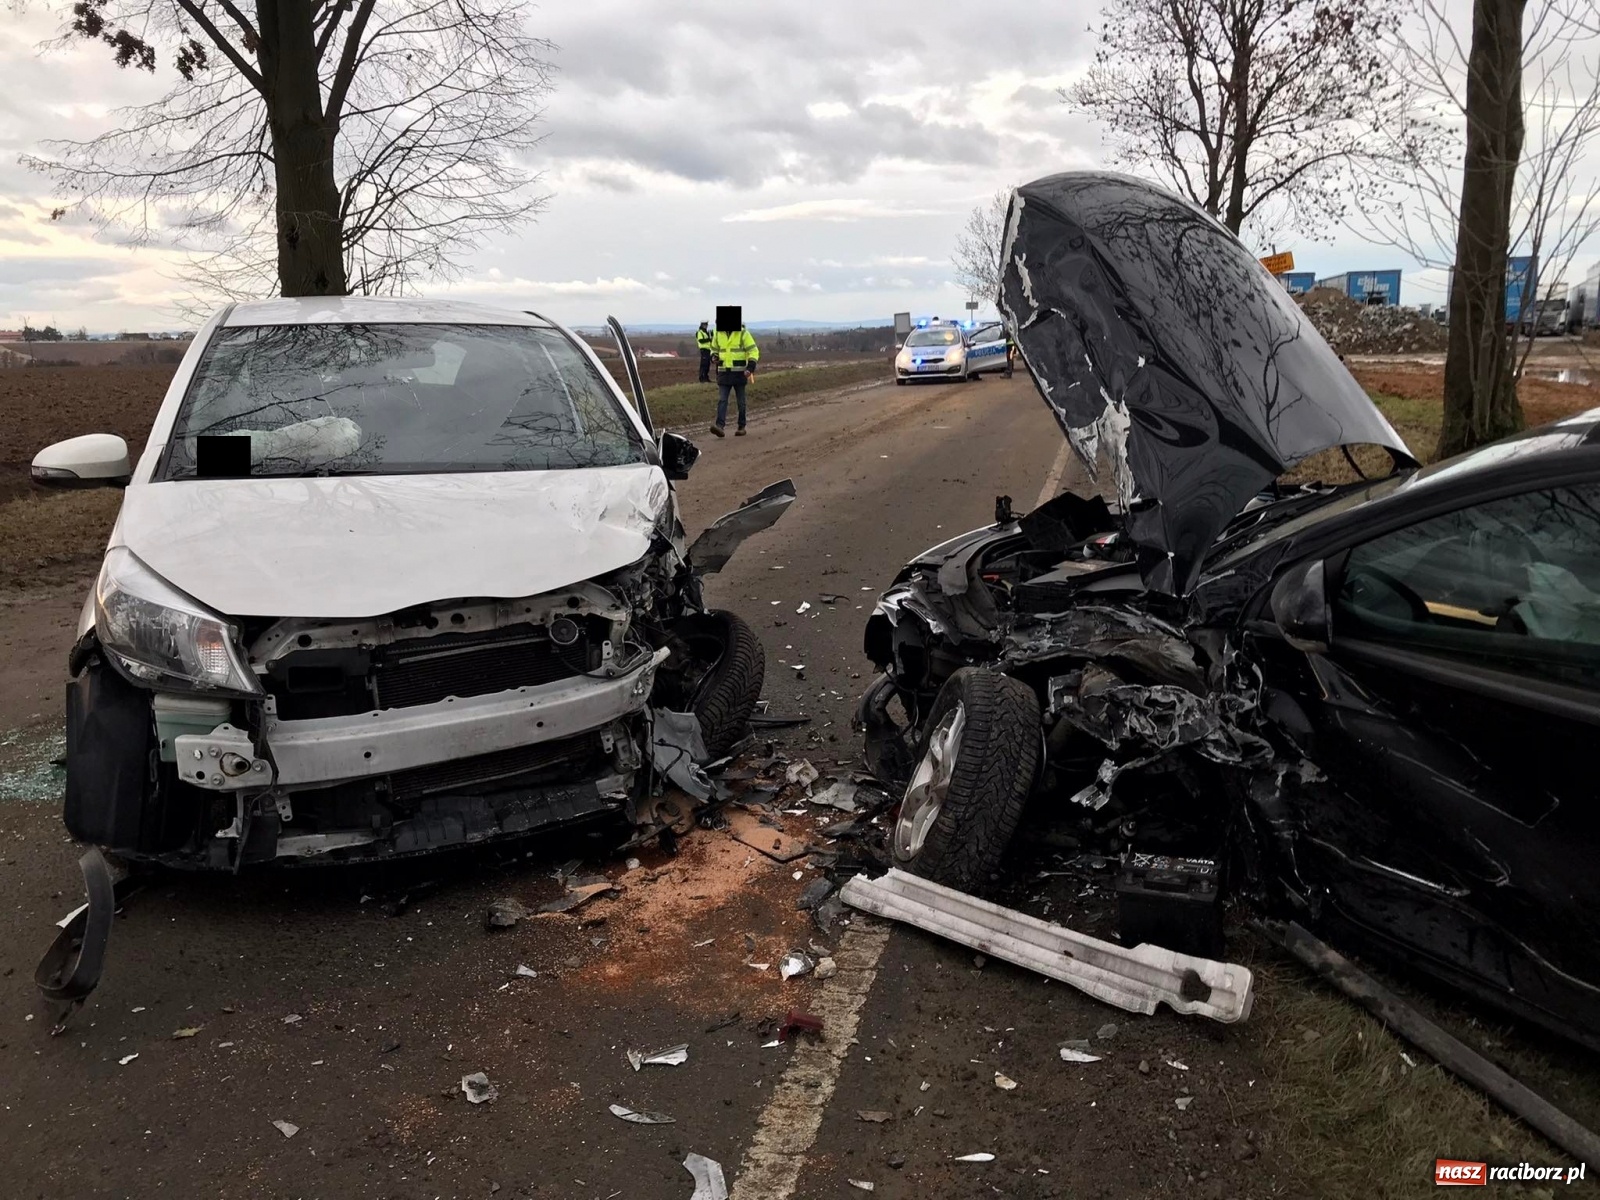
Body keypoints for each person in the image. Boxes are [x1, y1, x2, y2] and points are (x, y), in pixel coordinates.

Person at [709, 306, 759, 437]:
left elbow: (753, 351)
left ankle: (741, 426)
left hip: (740, 372)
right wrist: (714, 357)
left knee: (740, 401)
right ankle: (720, 426)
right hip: (724, 372)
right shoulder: (718, 333)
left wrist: (750, 367)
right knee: (722, 400)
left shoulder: (743, 333)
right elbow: (713, 348)